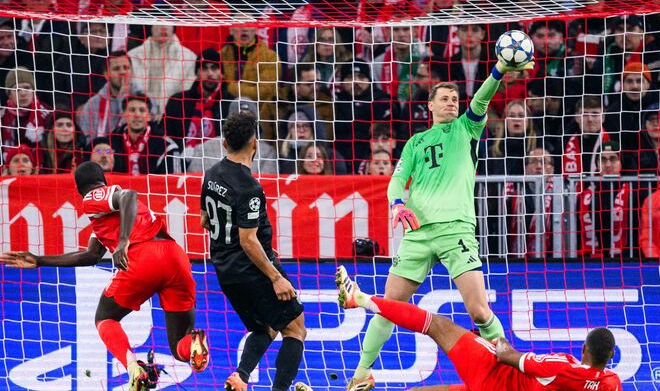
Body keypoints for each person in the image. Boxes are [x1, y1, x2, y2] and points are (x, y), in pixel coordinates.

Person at [343, 56, 533, 390]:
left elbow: (482, 98)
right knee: (389, 307)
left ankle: (510, 376)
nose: (450, 103)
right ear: (430, 105)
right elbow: (396, 180)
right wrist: (397, 203)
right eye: (444, 99)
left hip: (456, 229)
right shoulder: (415, 142)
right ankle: (360, 375)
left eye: (454, 100)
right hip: (417, 234)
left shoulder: (467, 128)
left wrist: (499, 70)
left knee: (479, 311)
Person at [0, 161, 209, 391]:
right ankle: (193, 345)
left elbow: (127, 194)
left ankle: (133, 368)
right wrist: (40, 261)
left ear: (80, 189)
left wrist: (124, 241)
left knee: (104, 318)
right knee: (180, 347)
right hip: (176, 258)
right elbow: (91, 256)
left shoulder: (93, 197)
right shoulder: (107, 219)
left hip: (143, 257)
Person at [336, 266, 622, 391]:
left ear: (584, 348)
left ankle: (359, 298)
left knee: (438, 324)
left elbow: (507, 356)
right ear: (610, 356)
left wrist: (492, 341)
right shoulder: (611, 384)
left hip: (495, 377)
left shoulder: (563, 366)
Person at [199, 113, 307, 391]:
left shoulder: (210, 176)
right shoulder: (250, 188)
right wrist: (275, 277)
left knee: (266, 327)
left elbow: (204, 220)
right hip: (251, 268)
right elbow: (248, 241)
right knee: (295, 328)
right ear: (255, 144)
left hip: (225, 270)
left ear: (224, 144)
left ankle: (241, 377)